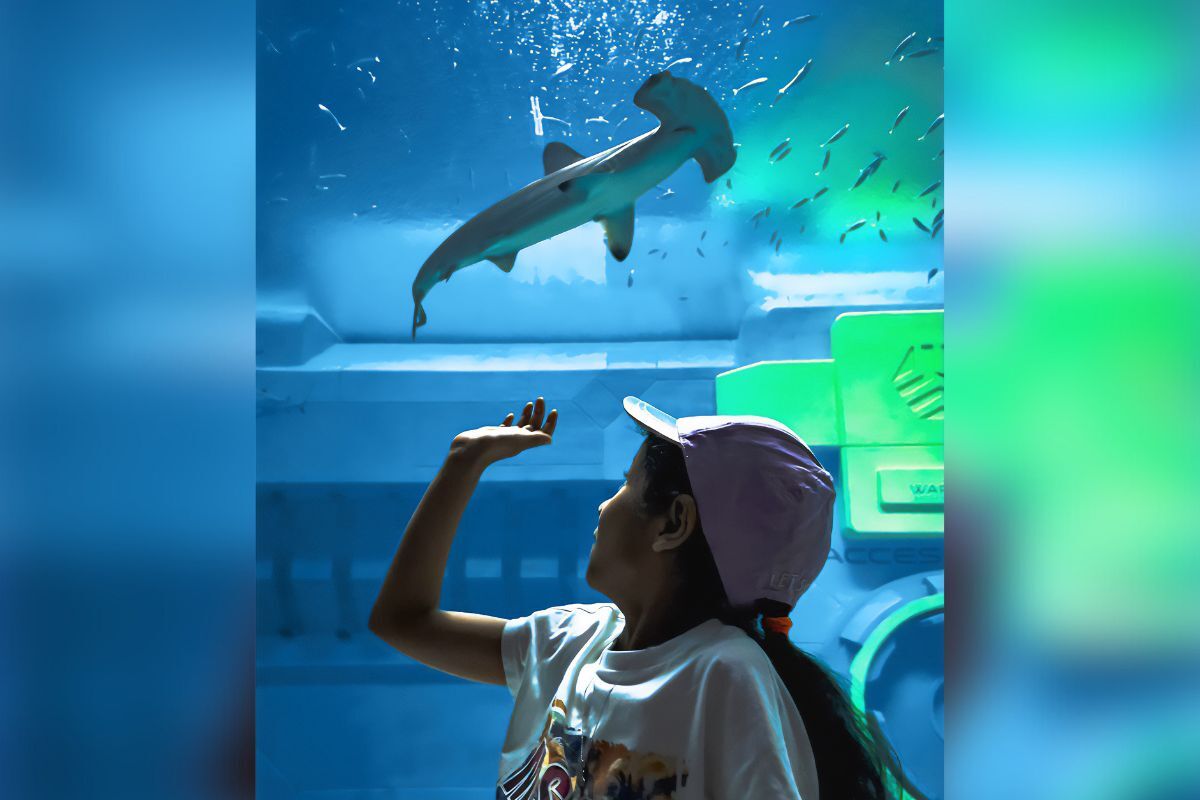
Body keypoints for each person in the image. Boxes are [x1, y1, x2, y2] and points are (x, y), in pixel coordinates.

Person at [370, 395, 912, 799]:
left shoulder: (725, 675)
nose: (604, 506)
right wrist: (463, 461)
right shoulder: (576, 640)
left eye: (627, 484)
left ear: (674, 522)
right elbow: (404, 621)